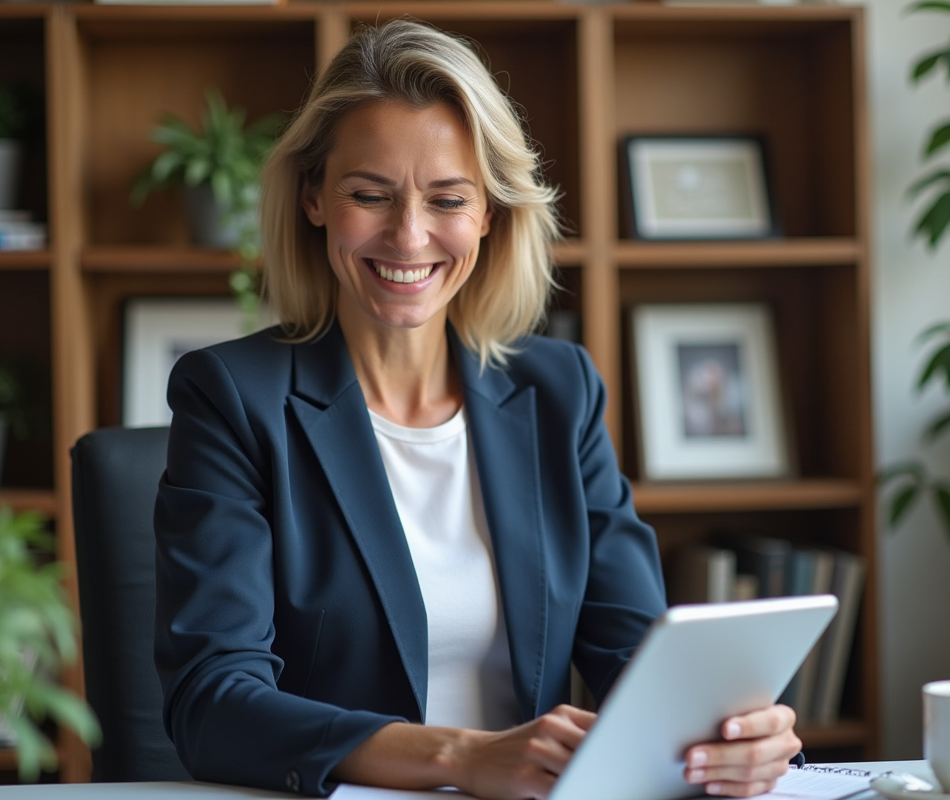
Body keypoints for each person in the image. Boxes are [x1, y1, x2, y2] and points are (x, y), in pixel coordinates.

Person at [153, 18, 801, 800]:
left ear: (489, 213)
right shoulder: (231, 397)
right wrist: (459, 759)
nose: (410, 235)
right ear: (314, 198)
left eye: (448, 199)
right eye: (370, 195)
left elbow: (640, 660)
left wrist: (730, 735)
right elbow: (213, 702)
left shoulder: (559, 392)